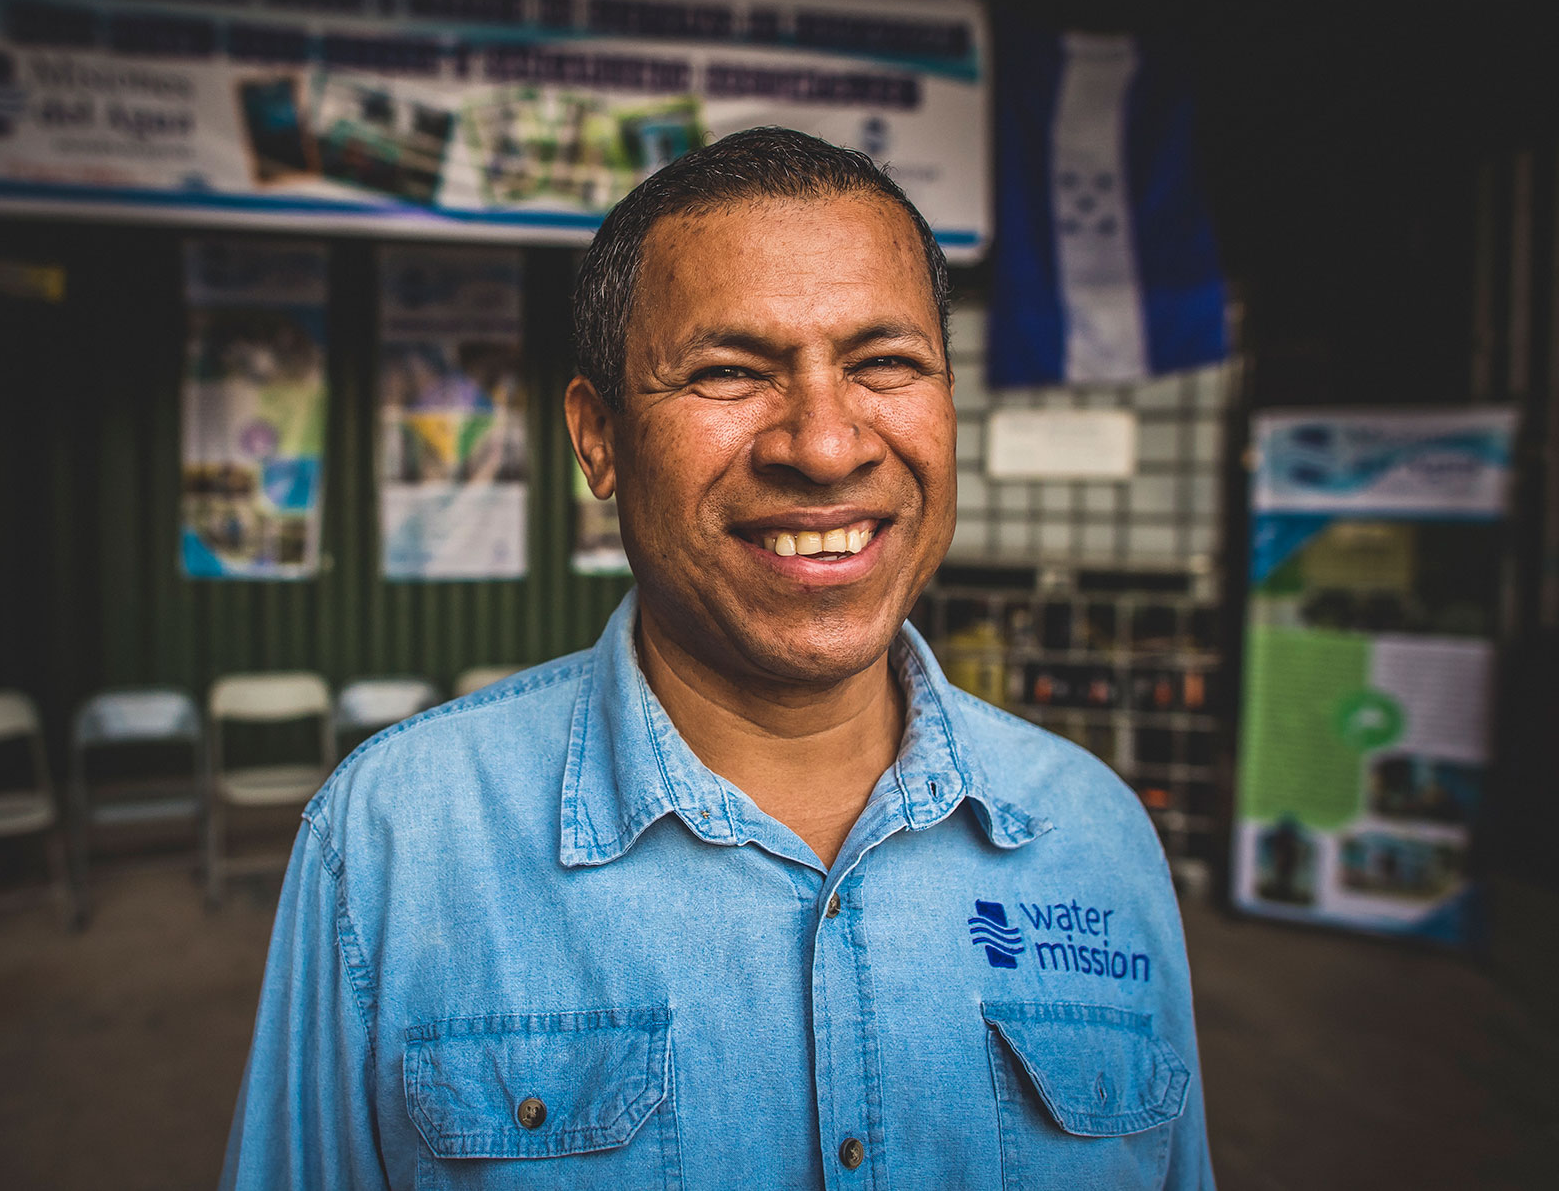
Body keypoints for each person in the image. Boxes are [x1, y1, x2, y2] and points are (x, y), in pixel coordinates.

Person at [221, 127, 1213, 1189]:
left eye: (883, 363)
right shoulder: (392, 843)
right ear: (597, 436)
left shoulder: (1095, 835)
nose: (825, 445)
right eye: (729, 371)